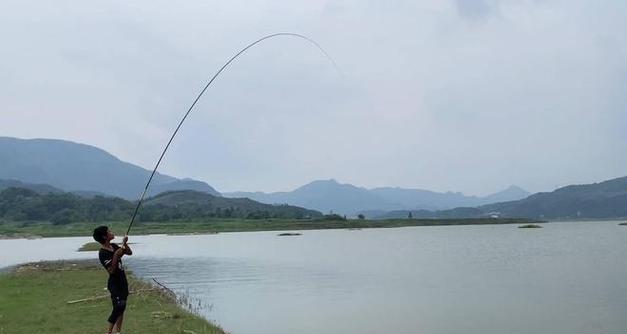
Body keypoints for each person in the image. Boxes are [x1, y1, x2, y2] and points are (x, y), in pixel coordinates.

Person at [93, 226, 133, 334]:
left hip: (122, 281)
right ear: (105, 236)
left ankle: (118, 332)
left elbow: (129, 252)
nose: (111, 232)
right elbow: (111, 270)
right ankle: (109, 331)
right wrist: (115, 255)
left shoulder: (114, 246)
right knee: (119, 305)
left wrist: (125, 244)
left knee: (122, 308)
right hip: (114, 283)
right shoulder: (102, 253)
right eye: (109, 231)